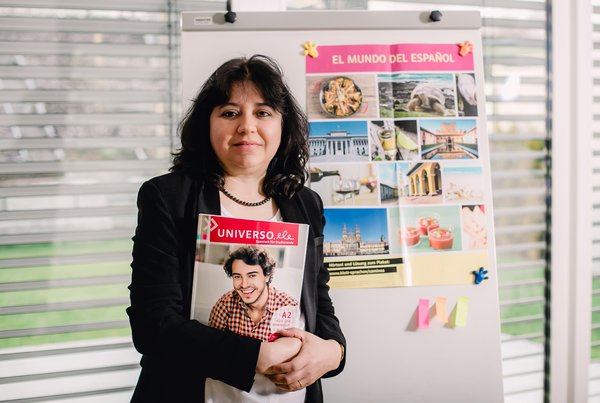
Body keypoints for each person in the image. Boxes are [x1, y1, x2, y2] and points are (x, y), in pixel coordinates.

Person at [127, 54, 346, 403]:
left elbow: (318, 299)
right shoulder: (168, 197)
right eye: (230, 113)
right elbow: (152, 325)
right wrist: (251, 356)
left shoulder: (305, 202)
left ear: (282, 125)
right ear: (207, 125)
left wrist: (334, 351)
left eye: (263, 113)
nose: (247, 126)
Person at [208, 245, 299, 340]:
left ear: (267, 276)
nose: (244, 285)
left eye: (252, 276)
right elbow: (212, 346)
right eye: (237, 276)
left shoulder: (289, 308)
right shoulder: (225, 304)